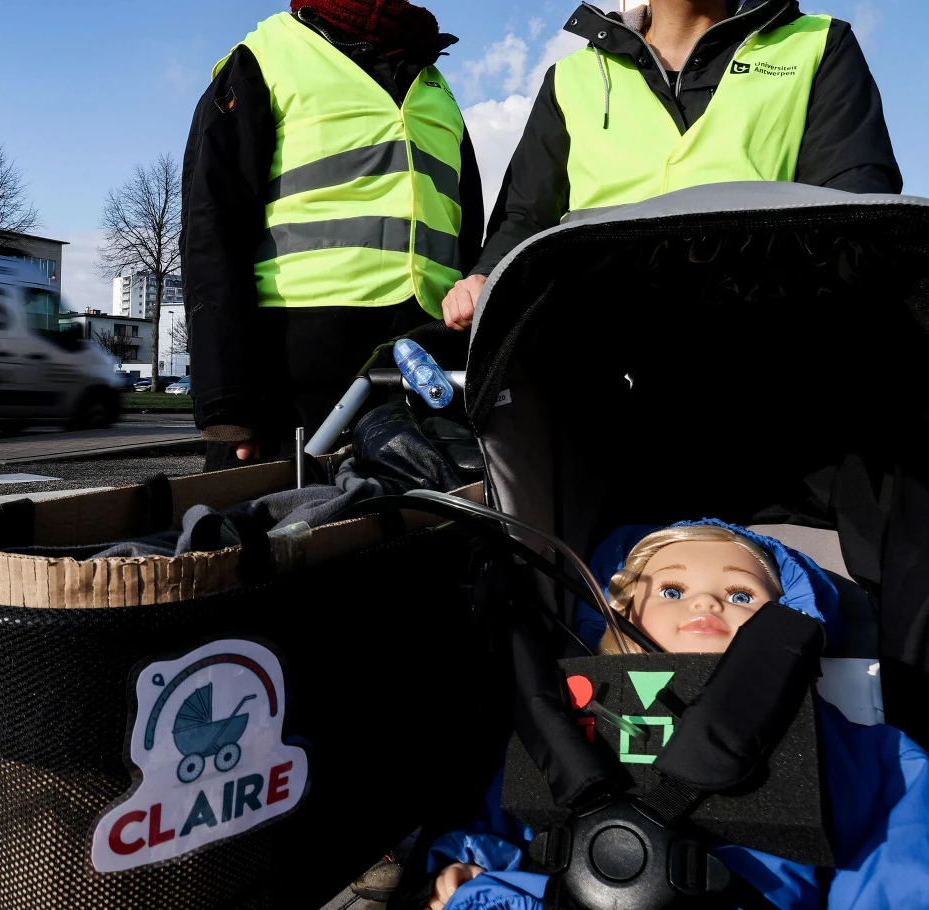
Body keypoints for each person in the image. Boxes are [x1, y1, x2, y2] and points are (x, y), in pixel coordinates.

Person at [424, 521, 929, 910]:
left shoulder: (851, 745)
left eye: (741, 595)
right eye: (671, 590)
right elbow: (502, 824)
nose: (707, 601)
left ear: (790, 621)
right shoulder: (565, 714)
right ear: (618, 612)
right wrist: (468, 867)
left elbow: (899, 865)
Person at [441, 0, 902, 332]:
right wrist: (485, 276)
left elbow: (855, 217)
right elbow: (525, 217)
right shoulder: (570, 79)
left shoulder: (818, 45)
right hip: (598, 369)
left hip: (770, 361)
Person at [181, 0, 485, 472]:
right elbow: (212, 227)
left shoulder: (433, 85)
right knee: (277, 532)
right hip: (292, 376)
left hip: (424, 359)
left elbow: (466, 226)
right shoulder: (265, 57)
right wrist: (228, 402)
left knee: (421, 533)